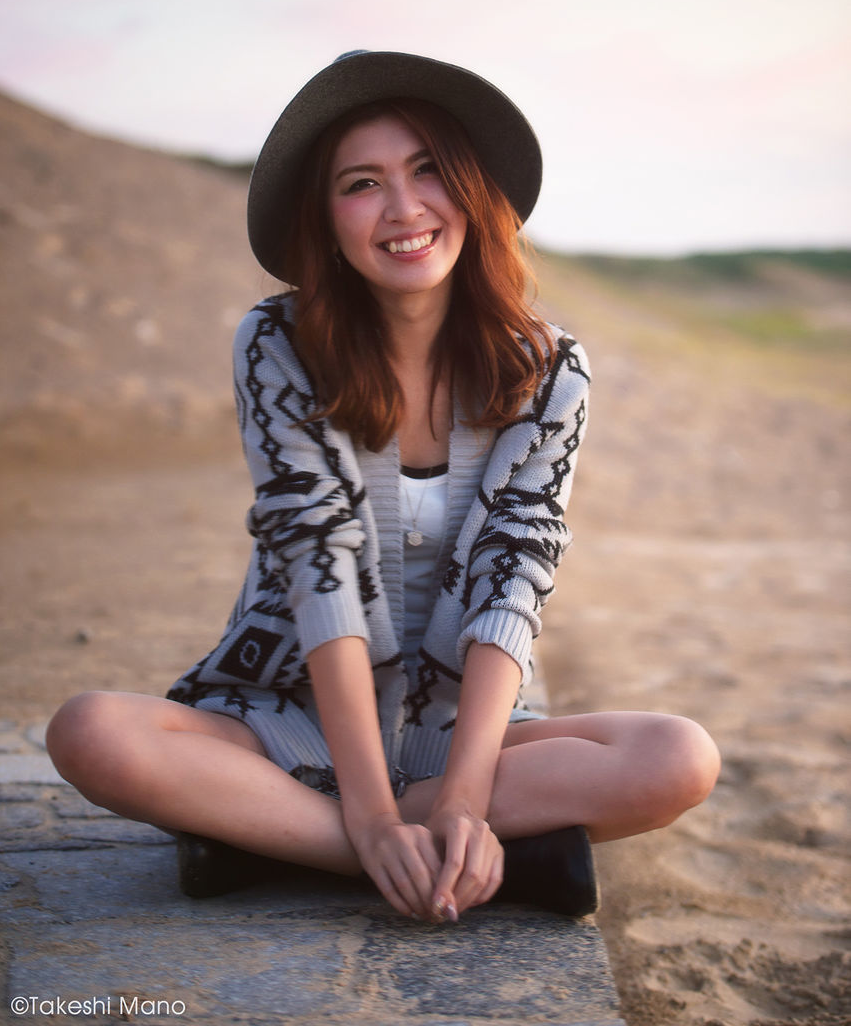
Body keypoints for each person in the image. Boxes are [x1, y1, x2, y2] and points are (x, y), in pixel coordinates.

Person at [46, 50, 720, 925]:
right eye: (363, 184)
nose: (405, 209)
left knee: (679, 757)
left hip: (453, 731)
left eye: (429, 170)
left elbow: (515, 574)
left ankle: (265, 837)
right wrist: (366, 817)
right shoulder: (278, 341)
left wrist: (466, 798)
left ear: (472, 191)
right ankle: (429, 855)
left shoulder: (552, 370)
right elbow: (315, 559)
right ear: (326, 221)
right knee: (90, 733)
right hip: (288, 712)